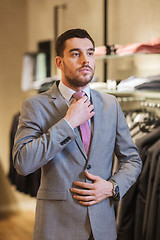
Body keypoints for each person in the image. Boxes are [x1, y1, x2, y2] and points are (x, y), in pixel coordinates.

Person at [13, 28, 142, 240]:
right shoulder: (34, 106)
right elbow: (23, 163)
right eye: (76, 54)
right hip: (56, 228)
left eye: (90, 53)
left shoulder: (111, 104)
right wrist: (68, 122)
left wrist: (112, 187)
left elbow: (132, 160)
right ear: (59, 62)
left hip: (103, 227)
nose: (85, 60)